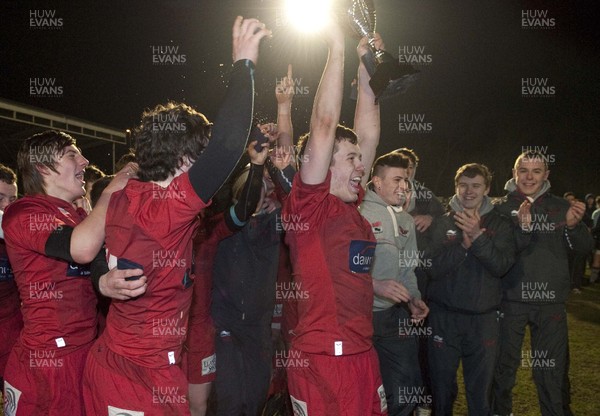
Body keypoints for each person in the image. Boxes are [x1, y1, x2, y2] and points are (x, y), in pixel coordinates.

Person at [82, 16, 270, 416]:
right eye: (198, 158)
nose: (205, 169)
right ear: (185, 158)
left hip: (119, 366)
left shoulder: (123, 195)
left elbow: (98, 250)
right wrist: (244, 64)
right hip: (140, 377)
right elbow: (227, 146)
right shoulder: (167, 208)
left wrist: (101, 277)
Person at [281, 24, 387, 414]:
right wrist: (338, 49)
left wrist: (366, 67)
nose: (362, 167)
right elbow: (324, 125)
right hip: (323, 360)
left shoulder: (350, 206)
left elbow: (369, 135)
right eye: (350, 159)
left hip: (362, 353)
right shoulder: (309, 206)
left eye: (360, 160)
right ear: (322, 165)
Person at [1, 130, 134, 415]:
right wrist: (111, 190)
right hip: (46, 362)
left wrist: (105, 281)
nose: (84, 161)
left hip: (85, 351)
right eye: (72, 154)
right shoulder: (23, 212)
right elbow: (82, 249)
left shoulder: (77, 215)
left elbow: (96, 258)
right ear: (42, 166)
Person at [492, 151, 593, 416]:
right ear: (514, 173)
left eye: (536, 172)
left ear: (546, 175)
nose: (529, 177)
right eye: (523, 170)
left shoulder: (561, 206)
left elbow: (584, 248)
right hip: (509, 300)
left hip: (550, 304)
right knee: (503, 369)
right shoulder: (499, 207)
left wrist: (573, 227)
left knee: (551, 371)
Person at [427, 163, 515, 415]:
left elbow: (501, 266)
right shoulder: (442, 223)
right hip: (444, 319)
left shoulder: (500, 224)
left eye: (475, 185)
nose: (468, 191)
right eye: (463, 185)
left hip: (483, 321)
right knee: (442, 391)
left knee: (480, 394)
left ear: (486, 189)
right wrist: (461, 247)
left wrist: (478, 238)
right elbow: (431, 268)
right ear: (456, 187)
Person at [359, 152, 429, 415]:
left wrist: (413, 298)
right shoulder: (357, 211)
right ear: (377, 182)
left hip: (393, 317)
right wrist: (374, 284)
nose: (404, 186)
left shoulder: (406, 221)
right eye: (397, 179)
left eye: (406, 181)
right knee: (361, 389)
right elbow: (340, 270)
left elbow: (407, 268)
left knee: (404, 390)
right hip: (358, 317)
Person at [0, 164, 21, 395]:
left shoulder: (18, 236)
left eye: (12, 199)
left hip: (11, 336)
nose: (6, 206)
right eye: (0, 198)